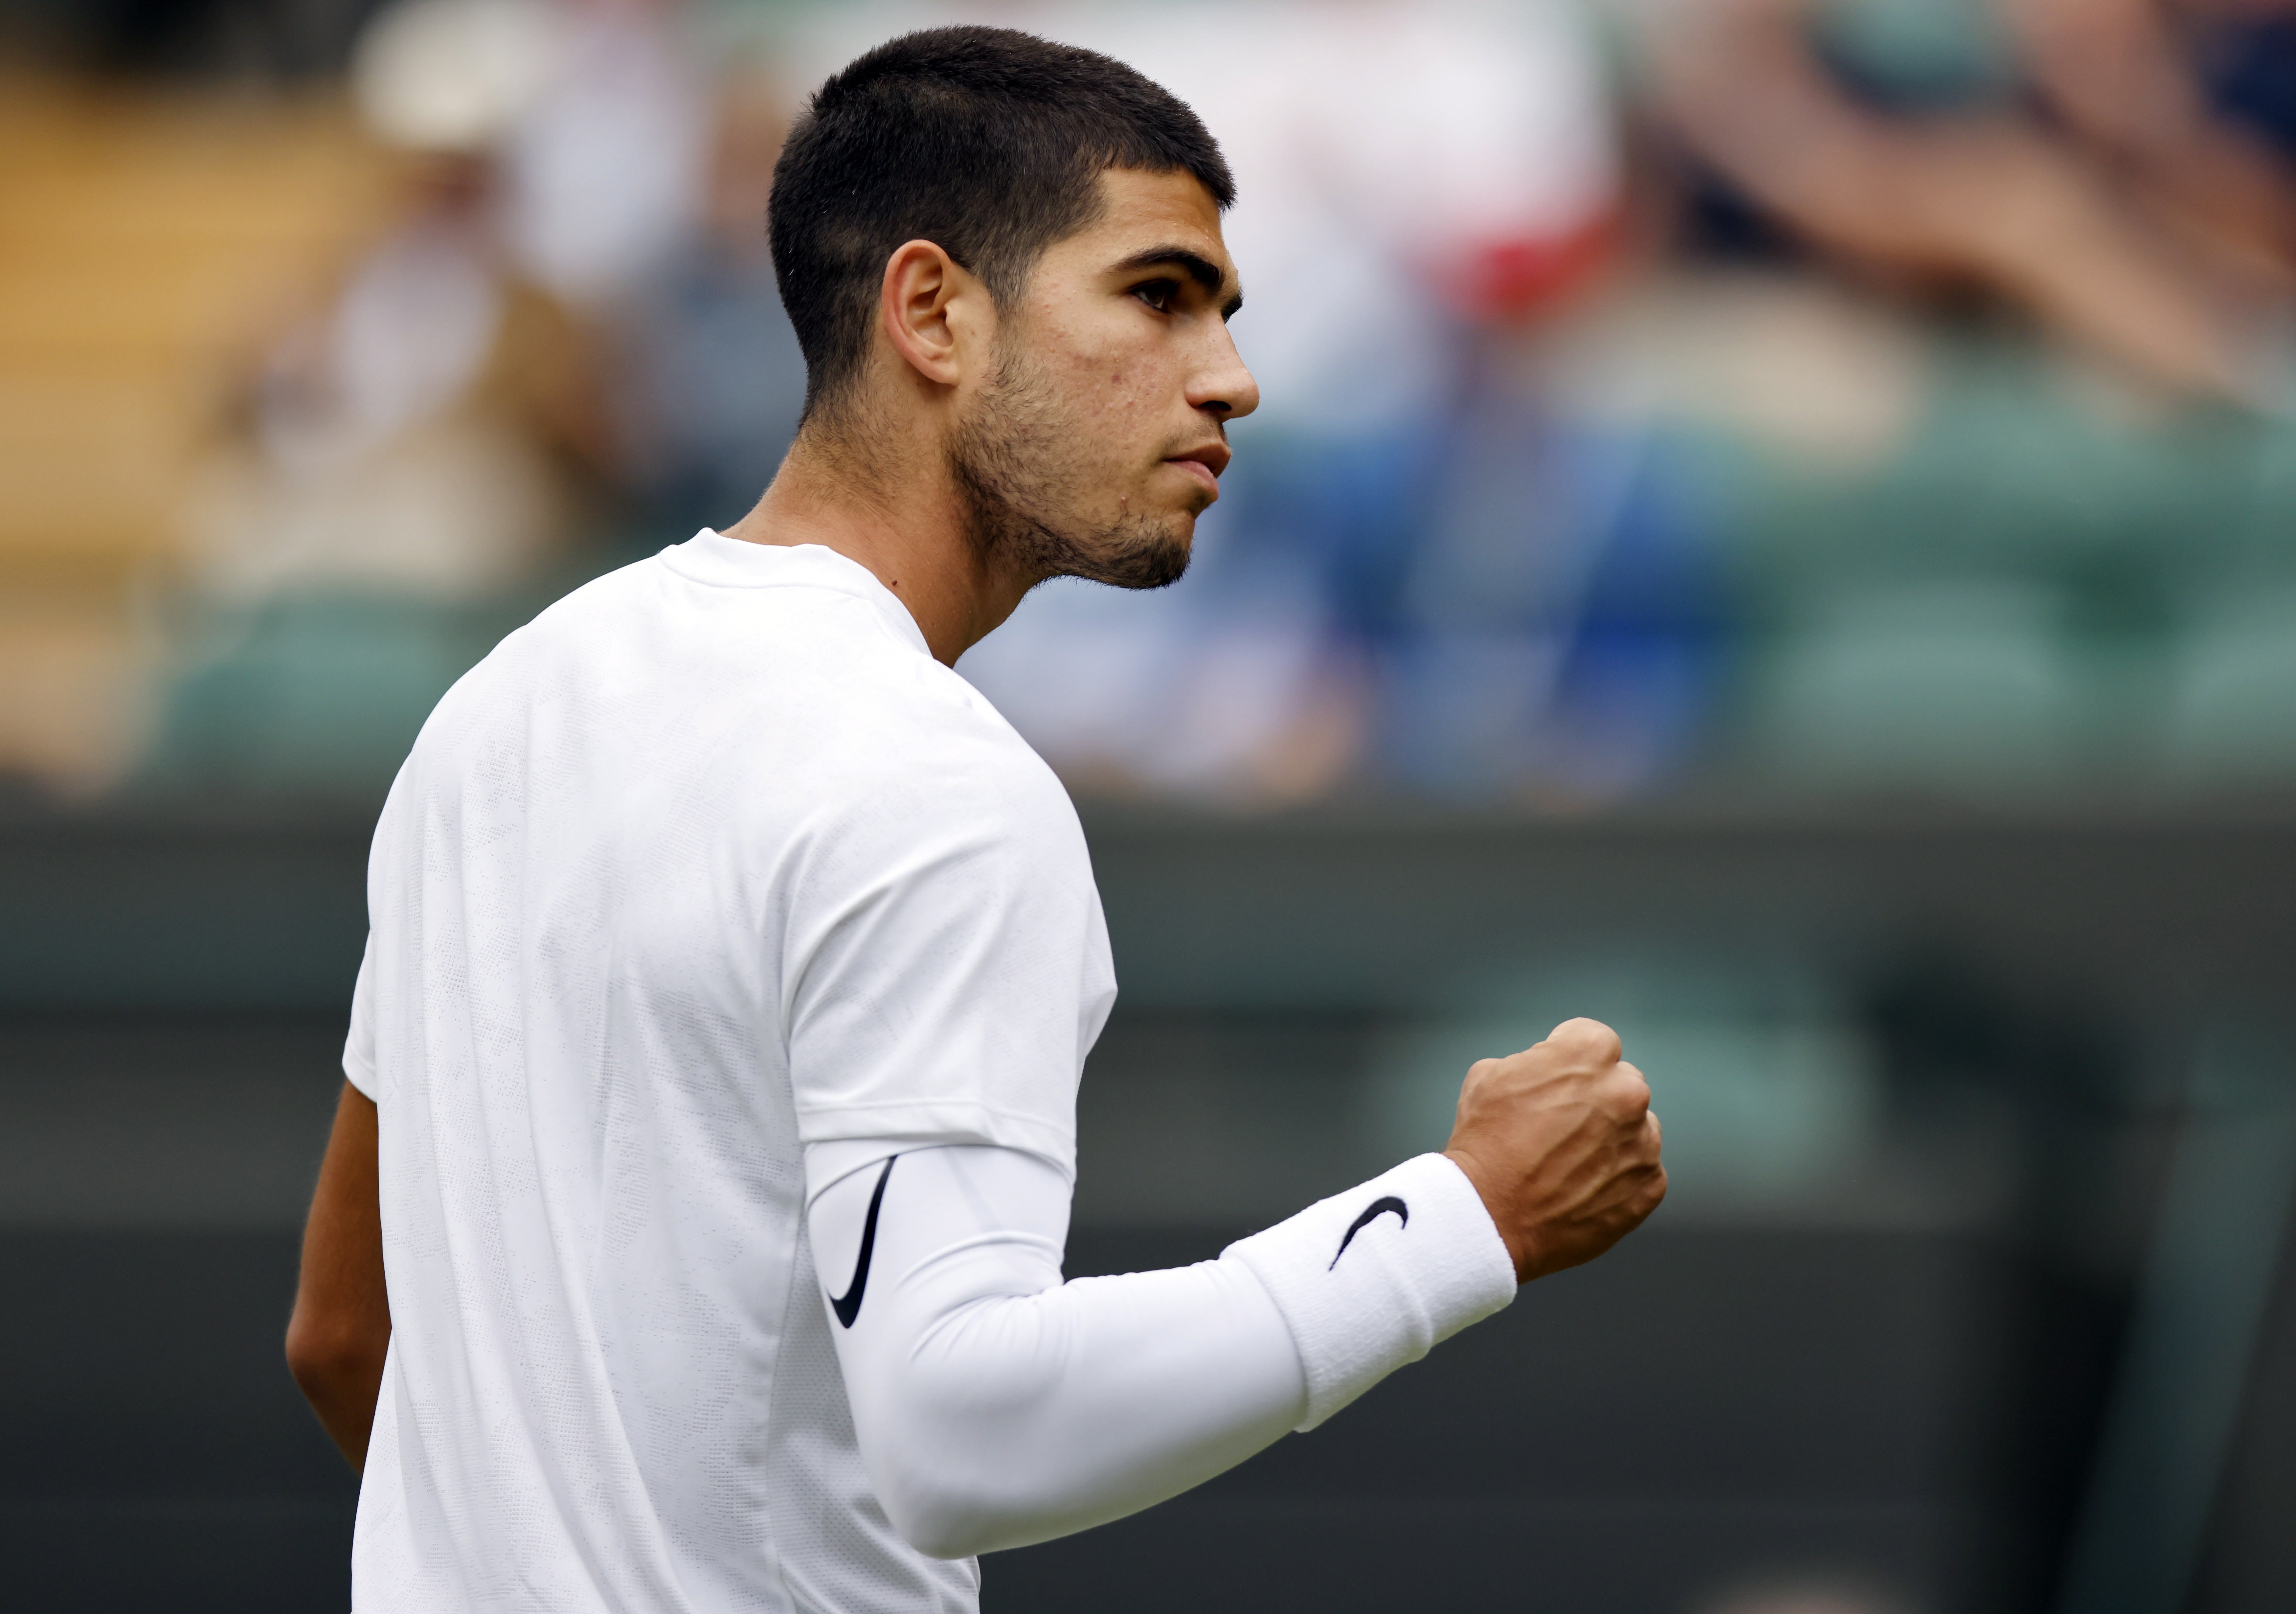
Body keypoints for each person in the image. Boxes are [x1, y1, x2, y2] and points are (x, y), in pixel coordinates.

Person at [284, 26, 1667, 1613]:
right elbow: (964, 1431)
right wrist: (1460, 1219)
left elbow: (342, 1335)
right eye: (1157, 295)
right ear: (933, 312)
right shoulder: (930, 778)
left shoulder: (498, 708)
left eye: (1224, 311)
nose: (1231, 375)